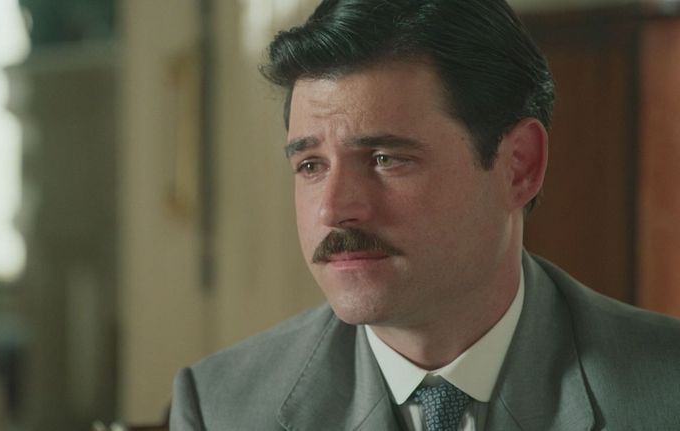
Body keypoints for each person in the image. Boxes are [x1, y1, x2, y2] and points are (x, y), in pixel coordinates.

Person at [169, 0, 680, 429]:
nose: (333, 208)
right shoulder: (220, 407)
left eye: (385, 158)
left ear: (519, 166)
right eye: (310, 165)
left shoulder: (665, 391)